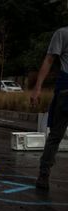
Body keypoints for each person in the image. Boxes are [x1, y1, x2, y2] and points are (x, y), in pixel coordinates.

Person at [30, 26, 68, 190]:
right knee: (55, 136)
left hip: (65, 89)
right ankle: (43, 174)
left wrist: (38, 88)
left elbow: (49, 60)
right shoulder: (63, 34)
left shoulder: (62, 33)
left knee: (55, 136)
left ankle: (43, 175)